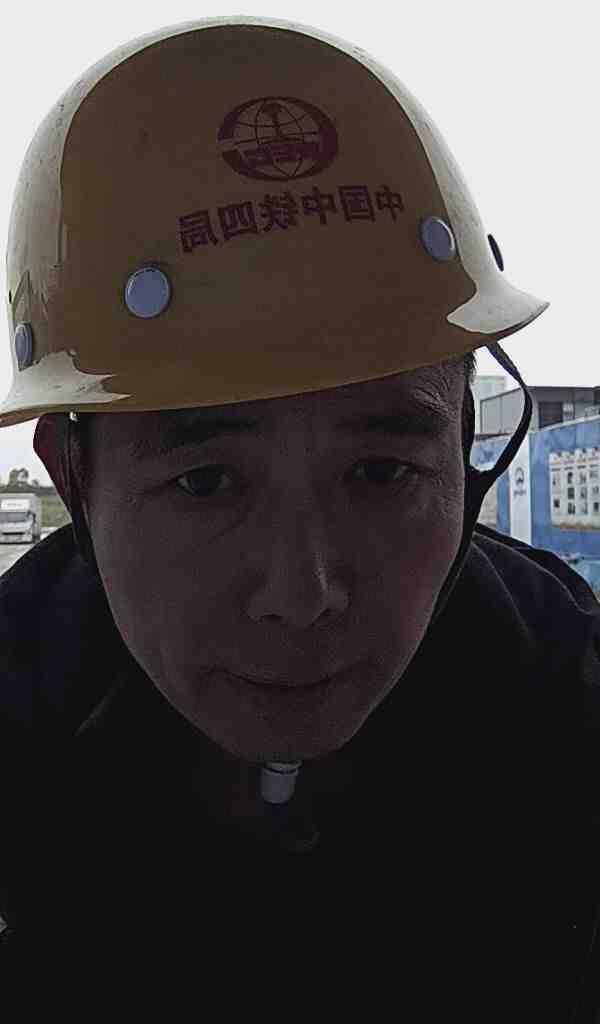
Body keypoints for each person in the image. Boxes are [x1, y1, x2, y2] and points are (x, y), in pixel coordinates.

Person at [0, 17, 598, 1018]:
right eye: (206, 483)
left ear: (463, 444)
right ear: (73, 477)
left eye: (382, 472)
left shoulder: (569, 707)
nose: (304, 593)